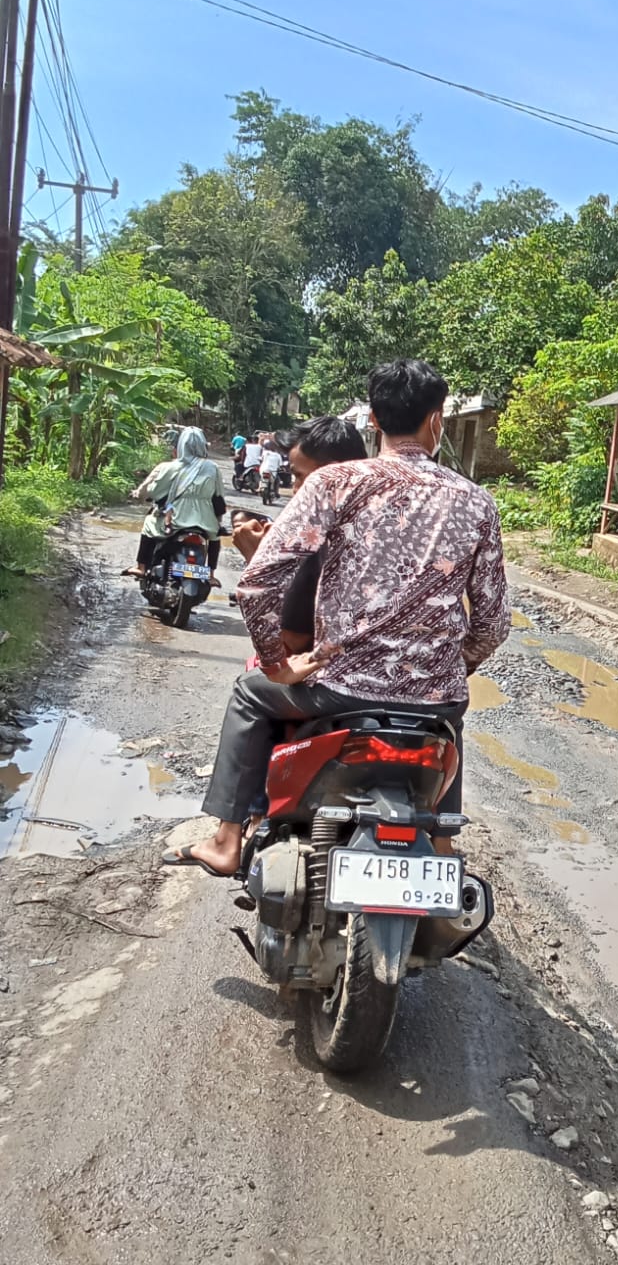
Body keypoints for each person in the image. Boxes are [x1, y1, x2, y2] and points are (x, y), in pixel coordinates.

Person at [165, 359, 510, 878]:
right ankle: (439, 847)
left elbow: (258, 582)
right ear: (438, 420)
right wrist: (449, 666)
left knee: (248, 694)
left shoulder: (336, 483)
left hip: (338, 690)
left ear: (372, 419)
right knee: (446, 720)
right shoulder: (477, 502)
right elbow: (493, 622)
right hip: (433, 698)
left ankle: (226, 840)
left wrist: (279, 666)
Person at [231, 415, 368, 651]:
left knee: (247, 685)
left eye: (300, 477)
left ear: (331, 476)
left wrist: (258, 562)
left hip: (329, 675)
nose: (295, 490)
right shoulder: (378, 526)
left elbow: (289, 643)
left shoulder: (318, 541)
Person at [125, 426, 224, 578]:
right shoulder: (213, 468)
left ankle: (141, 568)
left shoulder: (169, 467)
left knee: (148, 525)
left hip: (175, 519)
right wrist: (217, 522)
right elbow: (218, 498)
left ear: (181, 446)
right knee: (215, 537)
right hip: (204, 520)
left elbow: (155, 492)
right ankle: (210, 575)